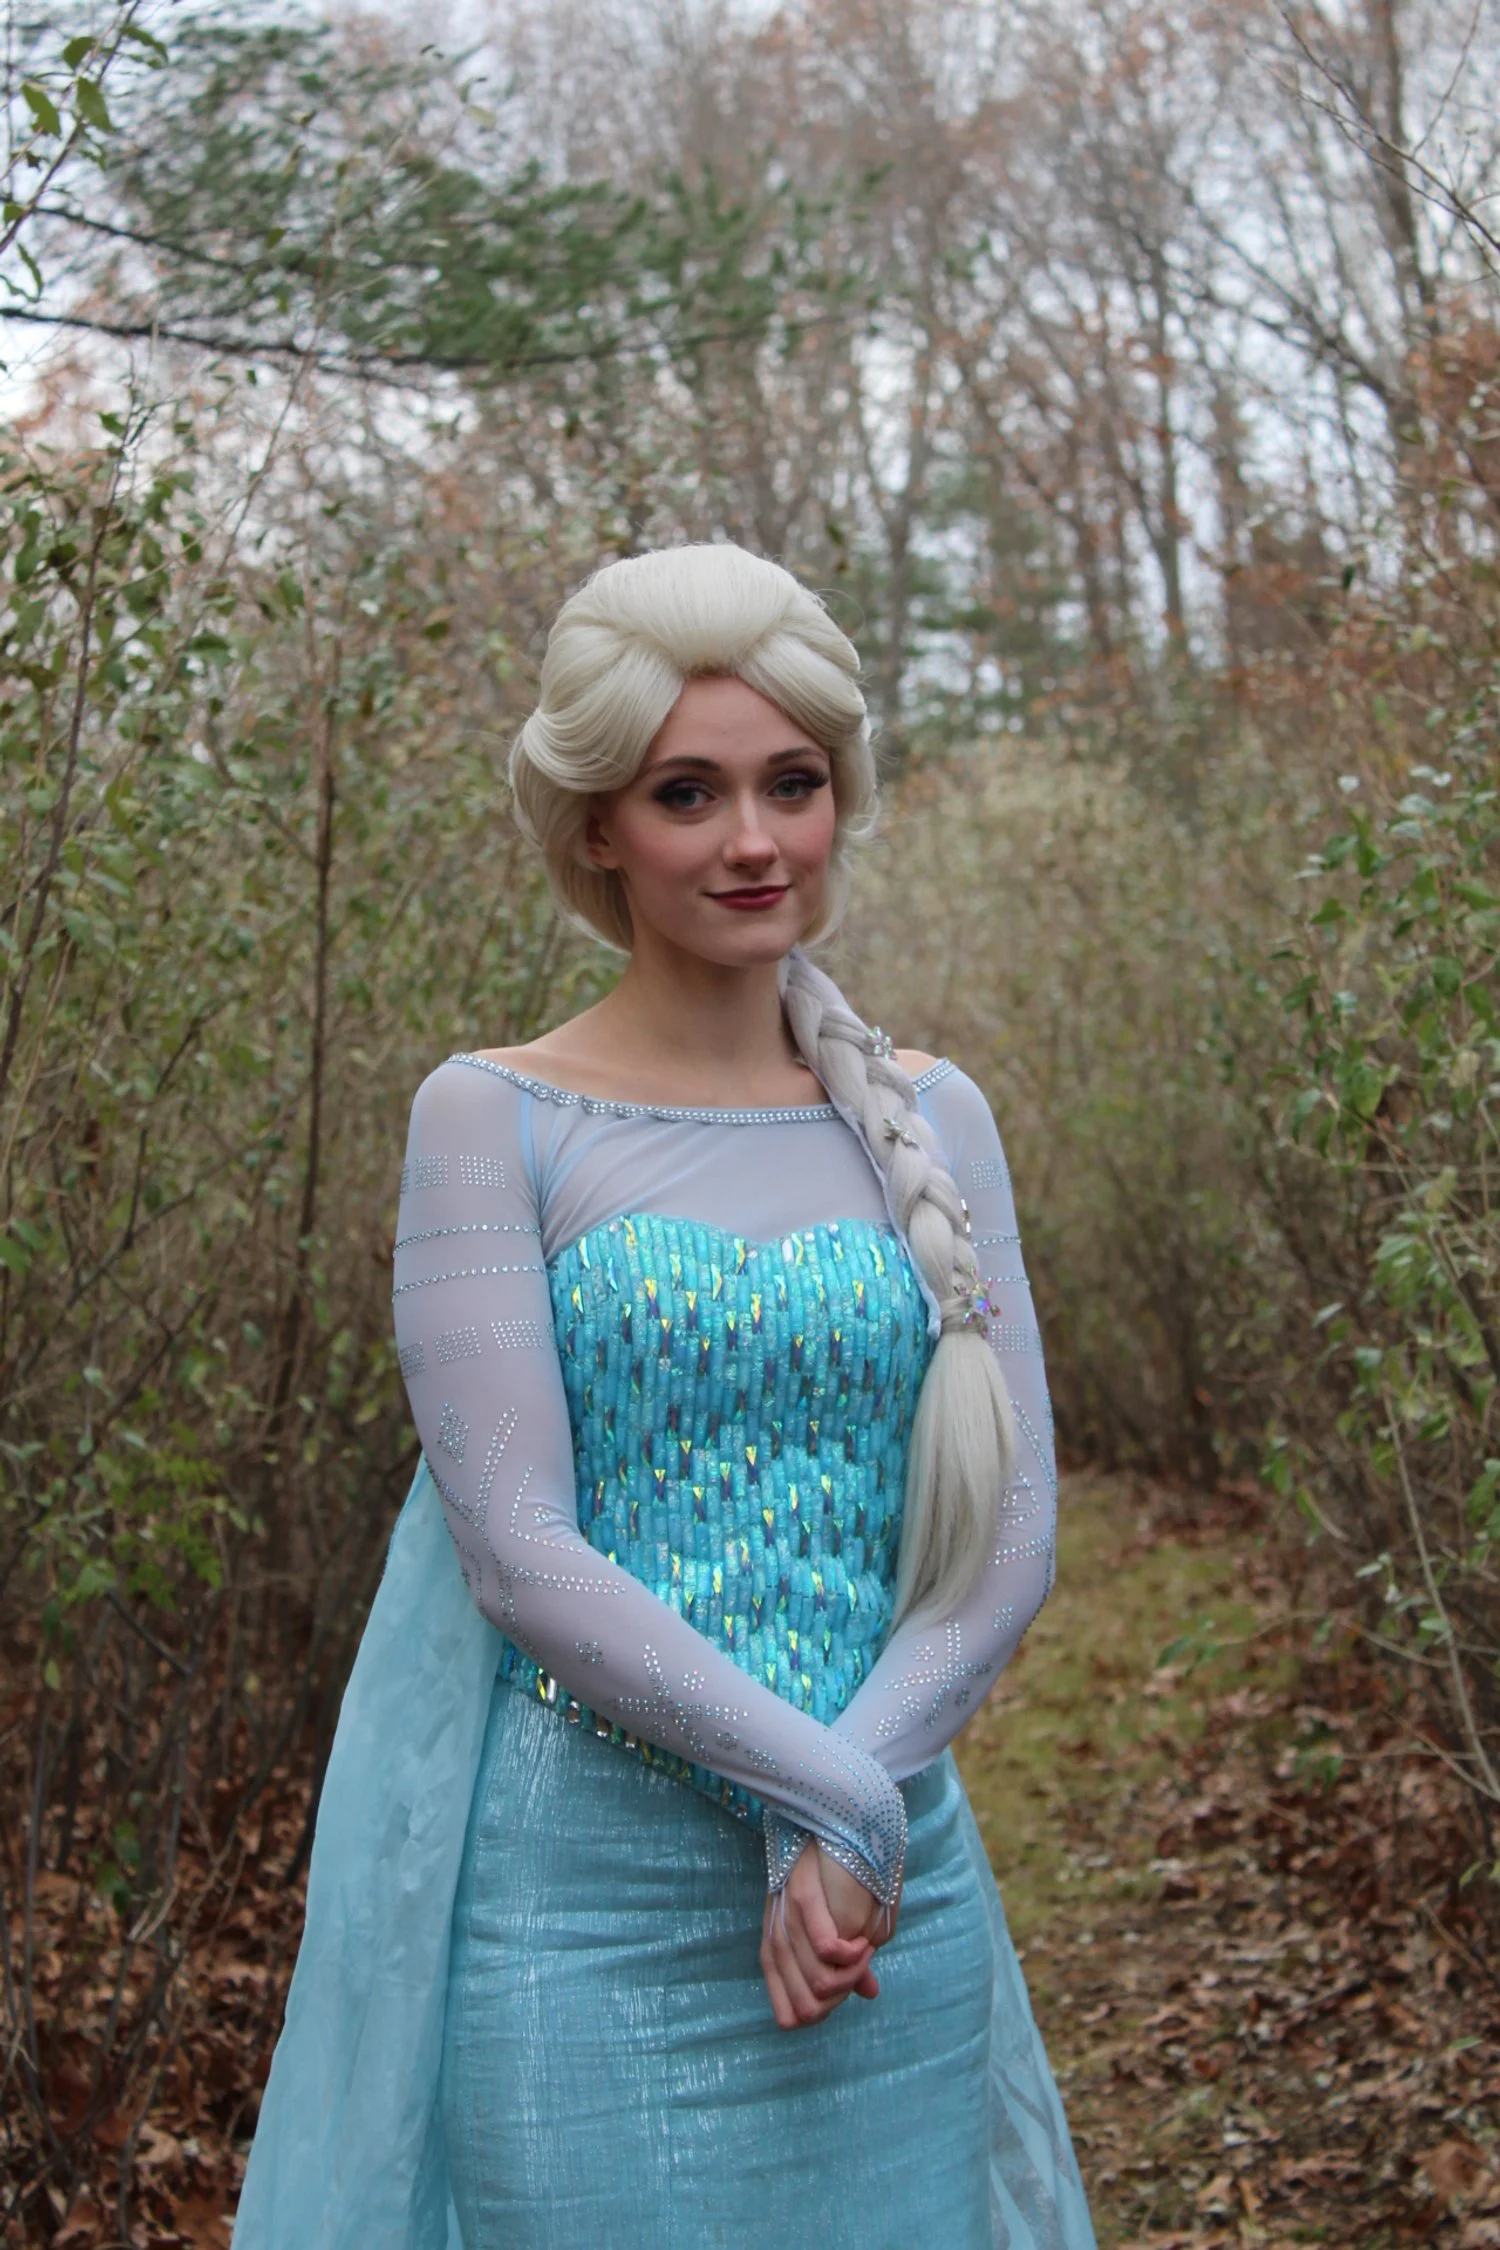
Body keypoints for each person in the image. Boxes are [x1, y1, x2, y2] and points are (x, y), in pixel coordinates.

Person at [232, 545, 1096, 2250]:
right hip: (577, 1916)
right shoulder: (492, 1117)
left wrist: (862, 1816)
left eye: (793, 783)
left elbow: (1013, 1544)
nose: (753, 838)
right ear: (598, 828)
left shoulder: (937, 1117)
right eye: (688, 791)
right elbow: (522, 1552)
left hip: (880, 1912)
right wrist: (828, 1796)